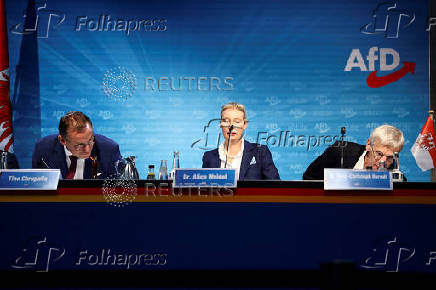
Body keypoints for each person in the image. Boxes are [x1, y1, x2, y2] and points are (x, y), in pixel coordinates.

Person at [32, 111, 122, 179]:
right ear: (62, 140)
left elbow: (118, 191)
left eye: (90, 140)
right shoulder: (43, 149)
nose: (87, 150)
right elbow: (39, 188)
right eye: (79, 145)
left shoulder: (109, 150)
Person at [202, 102, 280, 180]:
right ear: (221, 124)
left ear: (245, 124)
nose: (231, 126)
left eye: (237, 121)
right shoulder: (209, 157)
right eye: (226, 121)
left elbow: (277, 187)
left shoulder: (260, 152)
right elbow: (204, 189)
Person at [303, 124, 404, 180]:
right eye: (379, 154)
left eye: (389, 157)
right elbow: (309, 178)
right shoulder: (340, 151)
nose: (382, 161)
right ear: (368, 144)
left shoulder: (394, 173)